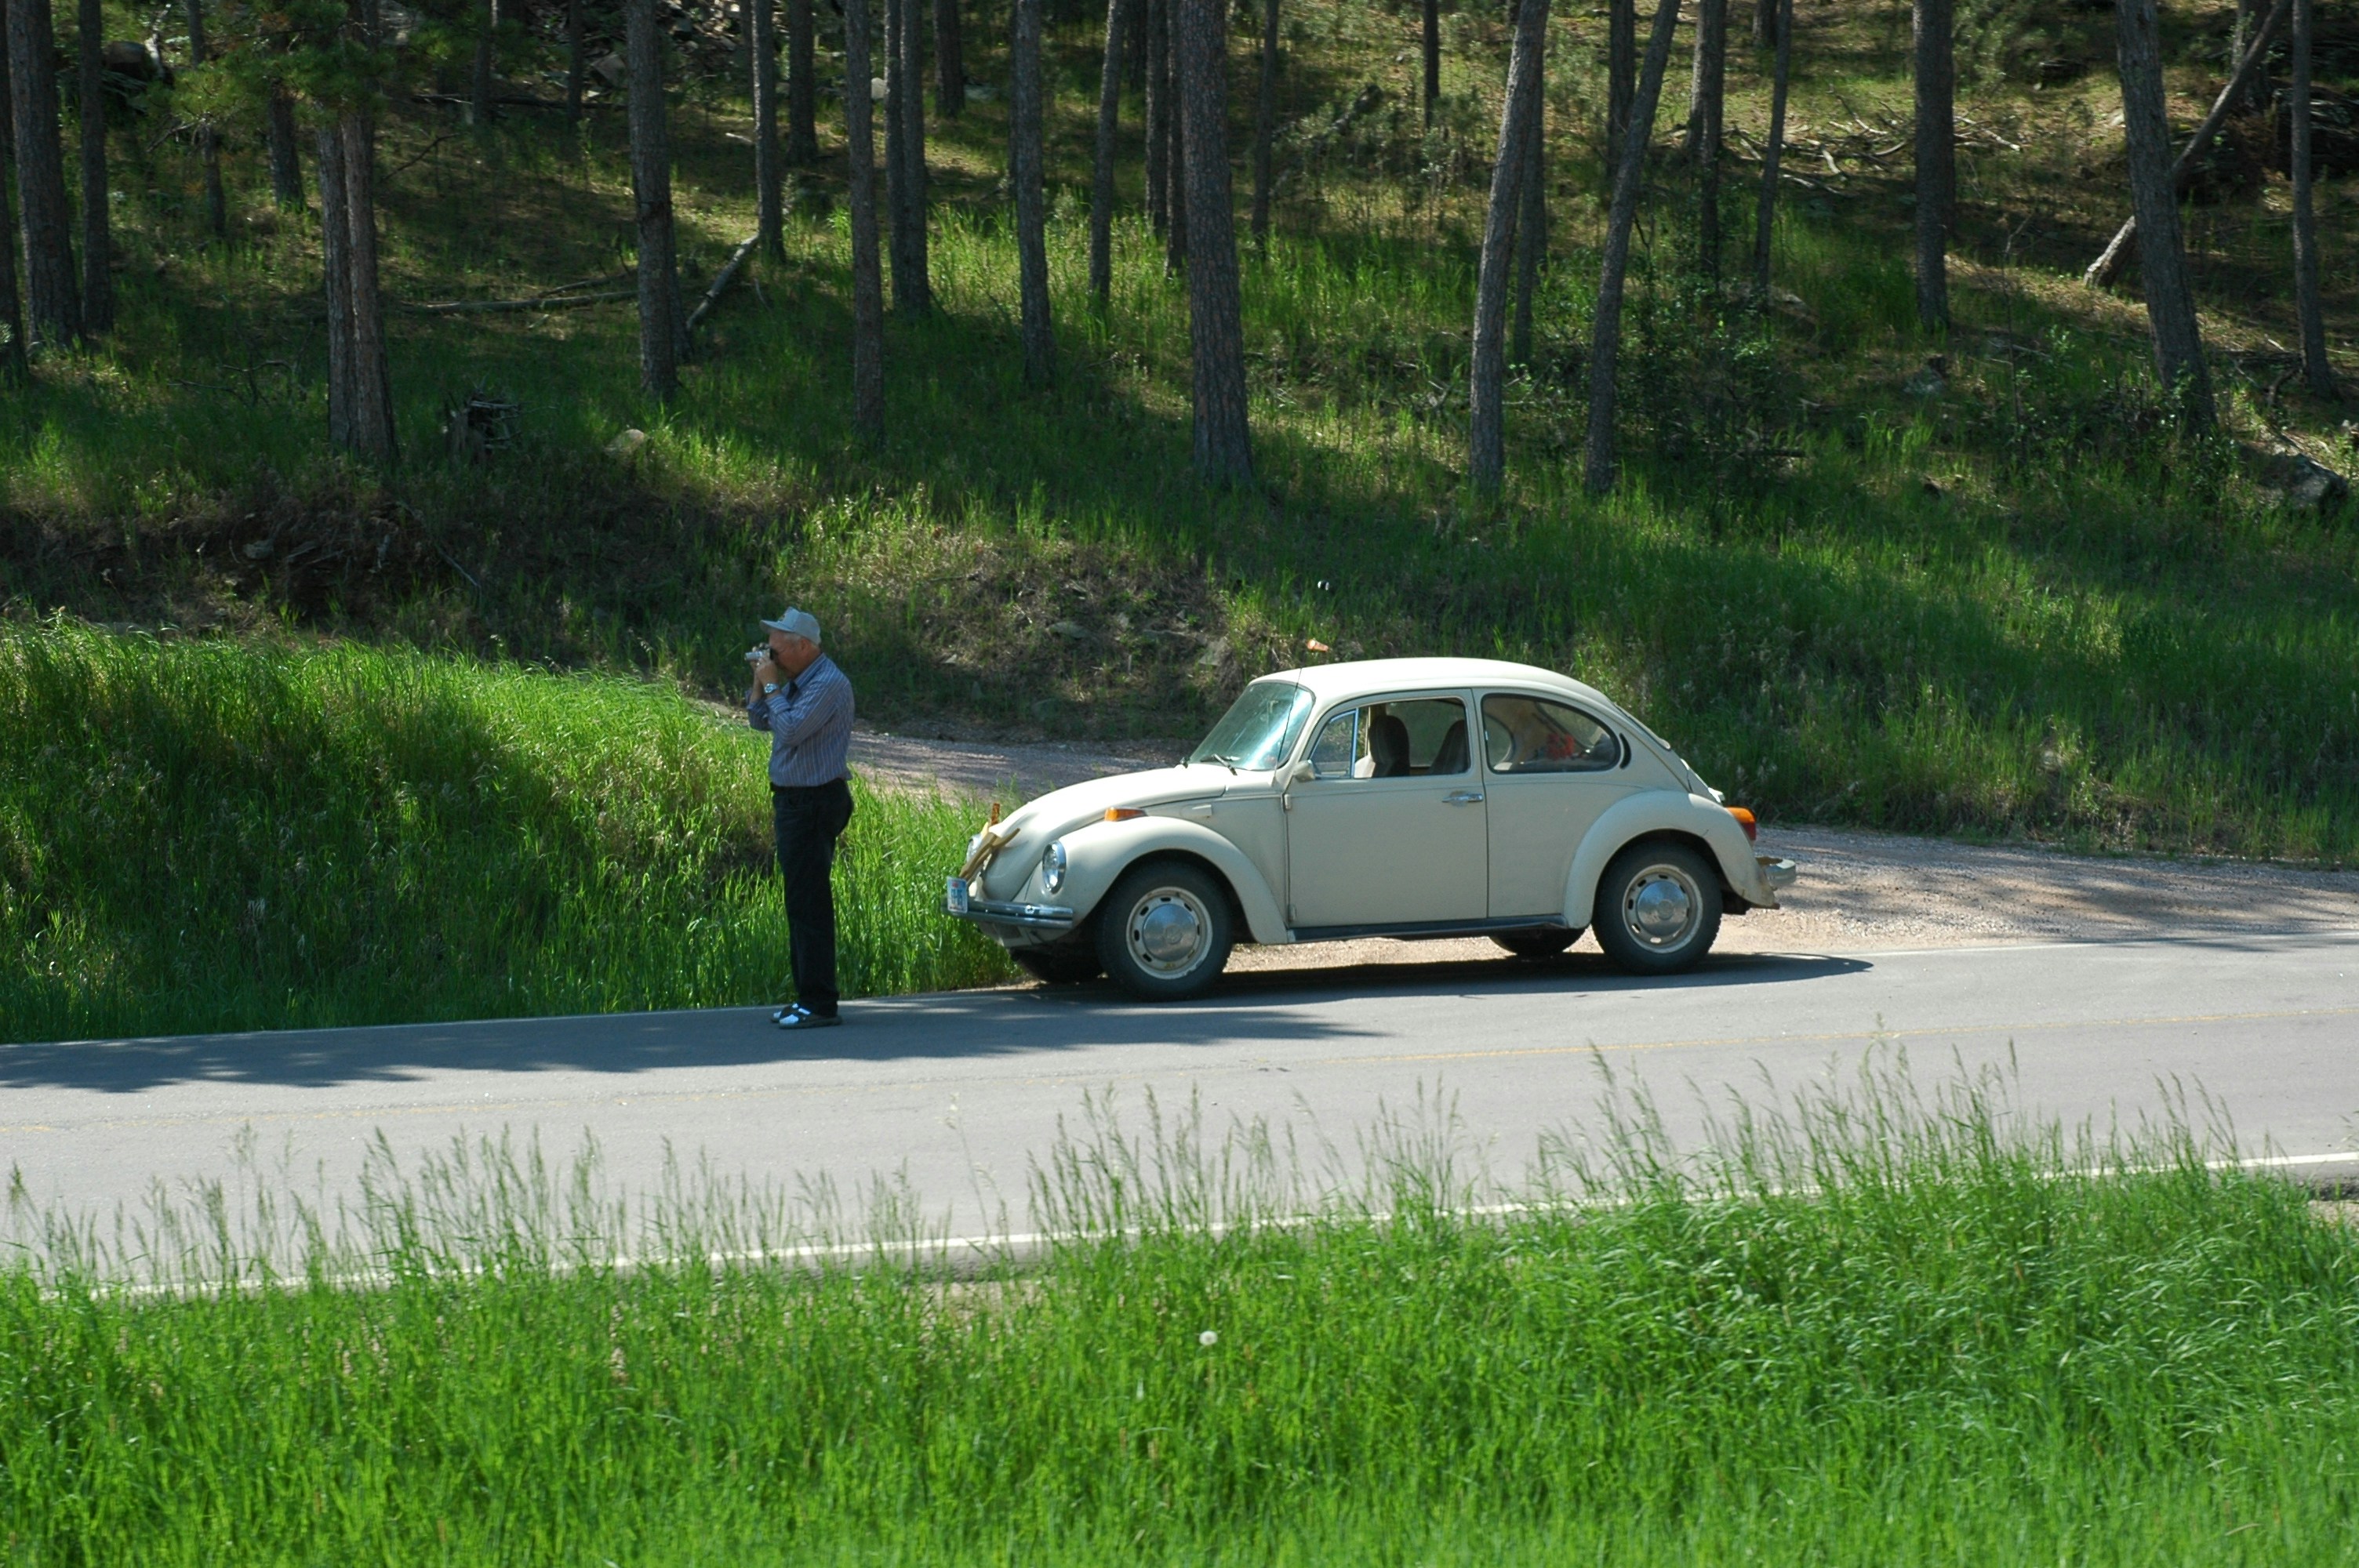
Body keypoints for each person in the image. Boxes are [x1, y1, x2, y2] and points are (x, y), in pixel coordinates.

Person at [747, 608, 856, 1029]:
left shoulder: (828, 683)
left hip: (814, 802)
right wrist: (762, 682)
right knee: (799, 901)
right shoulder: (795, 682)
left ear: (803, 647)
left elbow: (790, 731)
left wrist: (772, 683)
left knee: (810, 903)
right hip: (794, 802)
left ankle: (820, 1003)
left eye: (776, 650)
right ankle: (805, 998)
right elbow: (760, 721)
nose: (770, 655)